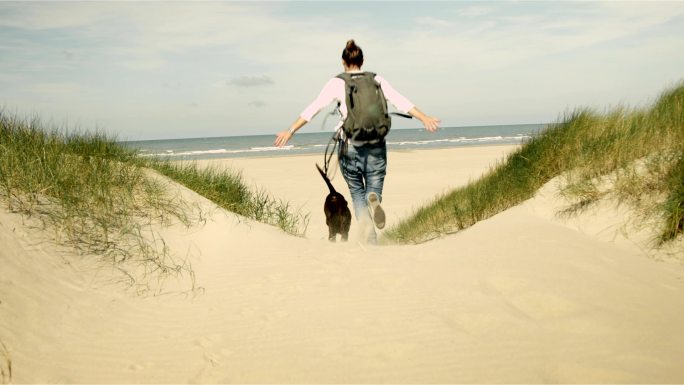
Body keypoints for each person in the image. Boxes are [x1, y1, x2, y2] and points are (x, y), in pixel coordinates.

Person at [275, 39, 440, 243]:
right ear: (362, 61)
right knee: (373, 190)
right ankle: (375, 201)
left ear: (343, 62)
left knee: (356, 194)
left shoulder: (336, 82)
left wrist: (290, 130)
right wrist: (425, 118)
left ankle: (370, 240)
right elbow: (400, 101)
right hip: (376, 145)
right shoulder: (376, 79)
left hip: (349, 146)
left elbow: (314, 108)